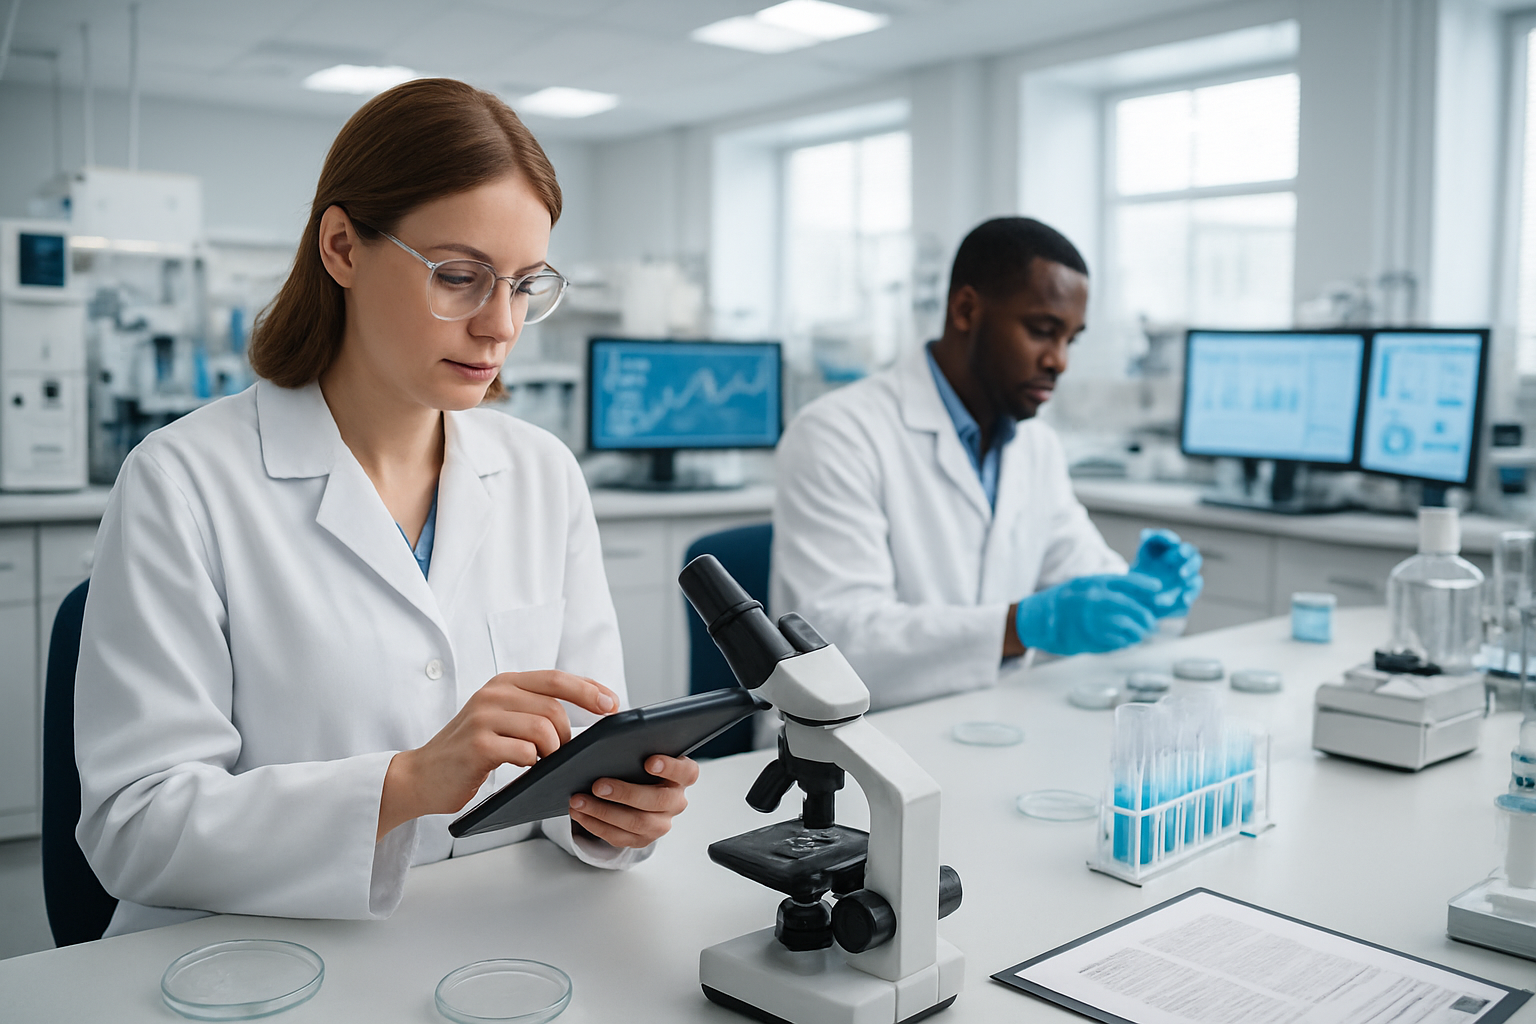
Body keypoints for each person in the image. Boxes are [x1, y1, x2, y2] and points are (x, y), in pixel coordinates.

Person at [74, 79, 698, 938]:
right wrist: (403, 786)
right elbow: (134, 826)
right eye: (459, 276)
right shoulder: (181, 482)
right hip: (243, 951)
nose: (501, 327)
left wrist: (612, 813)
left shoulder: (542, 475)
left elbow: (575, 768)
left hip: (491, 934)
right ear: (342, 247)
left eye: (523, 285)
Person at [771, 217, 1203, 710]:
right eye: (1042, 331)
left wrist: (1147, 594)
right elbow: (838, 645)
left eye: (1070, 340)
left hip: (986, 724)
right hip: (846, 755)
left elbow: (1085, 587)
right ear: (965, 309)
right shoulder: (836, 434)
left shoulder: (1035, 448)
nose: (1059, 360)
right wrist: (1018, 626)